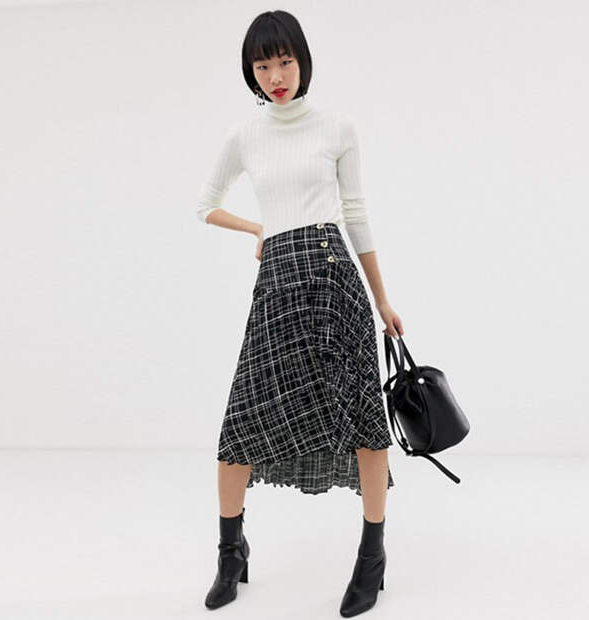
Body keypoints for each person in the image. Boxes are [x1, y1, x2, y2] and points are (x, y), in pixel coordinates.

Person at [198, 10, 404, 617]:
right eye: (263, 65)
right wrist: (257, 228)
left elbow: (356, 213)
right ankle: (230, 554)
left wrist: (383, 299)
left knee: (364, 424)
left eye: (285, 61)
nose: (276, 76)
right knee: (239, 429)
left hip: (335, 283)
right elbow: (205, 204)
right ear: (251, 72)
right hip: (277, 288)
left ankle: (372, 556)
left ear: (302, 61)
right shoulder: (245, 135)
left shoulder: (336, 127)